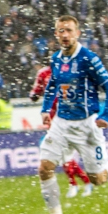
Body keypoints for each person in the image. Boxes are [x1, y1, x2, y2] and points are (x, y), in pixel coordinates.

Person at [37, 15, 108, 214]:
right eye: (61, 31)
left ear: (77, 33)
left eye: (69, 30)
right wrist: (45, 110)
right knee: (44, 168)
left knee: (98, 179)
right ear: (56, 34)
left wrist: (105, 115)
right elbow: (52, 85)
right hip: (61, 122)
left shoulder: (88, 58)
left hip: (87, 125)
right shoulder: (56, 59)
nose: (65, 35)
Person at [30, 64, 92, 199]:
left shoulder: (70, 71)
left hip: (69, 116)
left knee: (64, 153)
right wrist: (35, 95)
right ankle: (81, 182)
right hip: (52, 117)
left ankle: (77, 183)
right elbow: (35, 92)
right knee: (63, 154)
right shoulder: (43, 73)